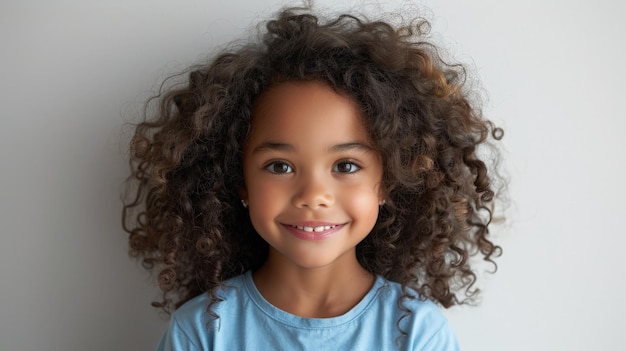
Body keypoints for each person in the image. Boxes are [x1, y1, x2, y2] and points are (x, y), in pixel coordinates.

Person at [122, 6, 504, 350]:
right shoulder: (204, 331)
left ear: (387, 182)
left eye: (346, 166)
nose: (314, 195)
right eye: (280, 166)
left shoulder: (417, 332)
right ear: (241, 182)